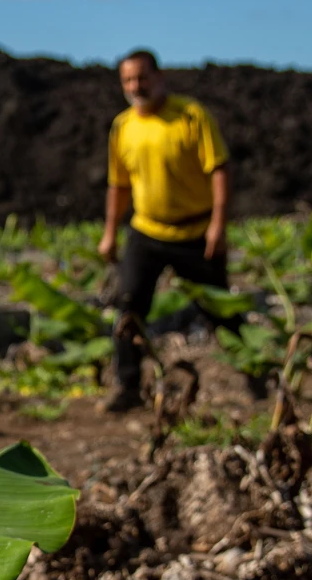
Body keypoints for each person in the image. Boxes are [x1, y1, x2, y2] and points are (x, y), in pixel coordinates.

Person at [96, 49, 231, 412]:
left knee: (221, 307)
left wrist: (218, 225)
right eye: (128, 80)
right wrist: (110, 232)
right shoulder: (123, 127)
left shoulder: (190, 115)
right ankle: (127, 385)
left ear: (159, 77)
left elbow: (218, 169)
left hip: (196, 232)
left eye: (142, 77)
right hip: (147, 232)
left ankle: (252, 374)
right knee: (129, 308)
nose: (135, 86)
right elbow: (118, 185)